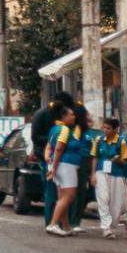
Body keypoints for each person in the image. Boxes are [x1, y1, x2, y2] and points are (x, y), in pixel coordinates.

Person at [30, 91, 76, 226]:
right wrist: (55, 141)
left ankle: (64, 224)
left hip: (63, 161)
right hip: (48, 160)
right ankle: (51, 223)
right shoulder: (43, 115)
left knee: (63, 194)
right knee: (51, 193)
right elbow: (36, 137)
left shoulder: (63, 121)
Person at [90, 116, 127, 238]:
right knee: (103, 197)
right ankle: (106, 227)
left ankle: (112, 224)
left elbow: (125, 162)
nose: (105, 130)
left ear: (115, 130)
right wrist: (92, 174)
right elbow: (95, 157)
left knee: (116, 203)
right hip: (100, 172)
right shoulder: (98, 140)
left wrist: (117, 160)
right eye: (104, 127)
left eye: (108, 128)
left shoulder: (121, 142)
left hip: (117, 174)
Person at [45, 105, 81, 236]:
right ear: (64, 117)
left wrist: (50, 161)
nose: (74, 117)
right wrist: (54, 167)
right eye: (71, 114)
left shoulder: (54, 129)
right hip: (66, 166)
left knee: (62, 197)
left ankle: (66, 226)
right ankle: (53, 224)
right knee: (68, 196)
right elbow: (59, 148)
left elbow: (49, 147)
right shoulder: (64, 130)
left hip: (60, 166)